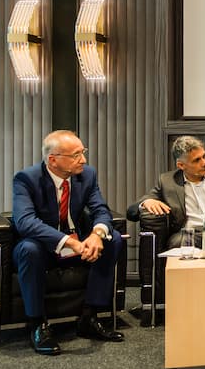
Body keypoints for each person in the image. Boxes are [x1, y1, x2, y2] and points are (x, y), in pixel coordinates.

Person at [12, 130, 125, 355]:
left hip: (77, 241)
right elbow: (25, 222)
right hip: (43, 246)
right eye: (76, 155)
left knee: (114, 240)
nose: (83, 159)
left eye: (83, 152)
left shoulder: (87, 175)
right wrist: (68, 242)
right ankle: (38, 325)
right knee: (29, 249)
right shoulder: (26, 179)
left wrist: (96, 235)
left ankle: (89, 317)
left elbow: (100, 209)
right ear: (53, 160)